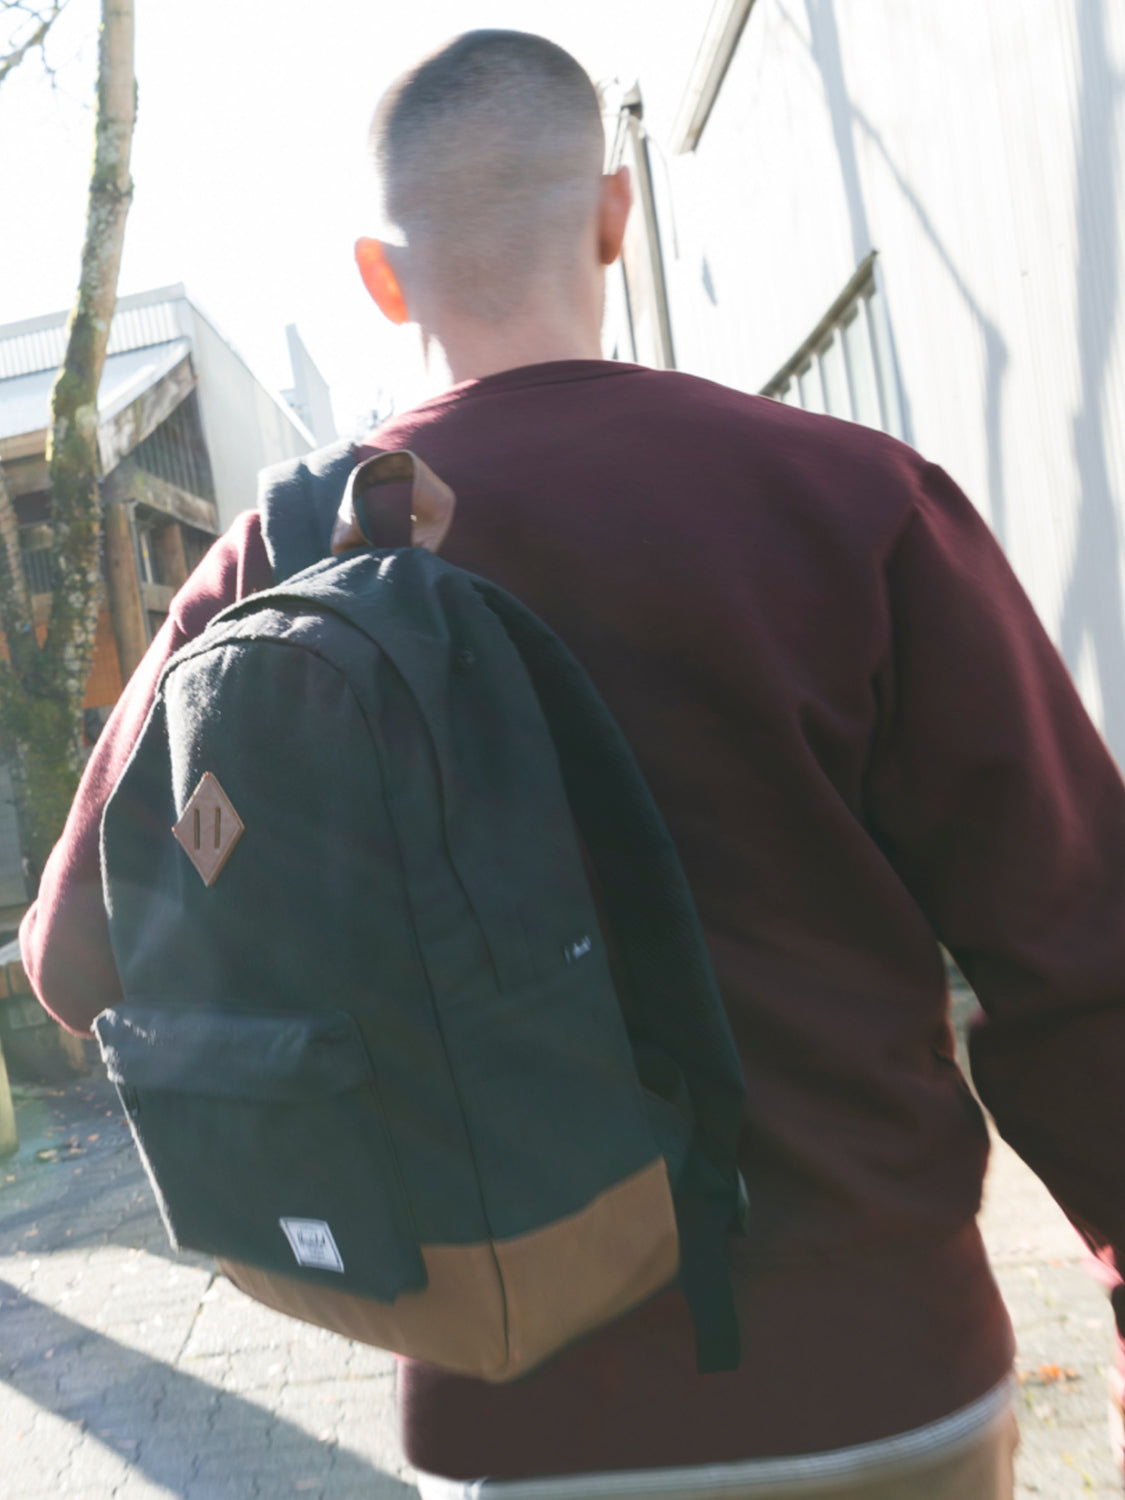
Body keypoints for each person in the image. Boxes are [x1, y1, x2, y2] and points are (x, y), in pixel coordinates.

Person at [22, 28, 1125, 1500]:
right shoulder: (855, 503)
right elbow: (1080, 962)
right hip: (883, 1370)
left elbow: (72, 964)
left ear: (381, 277)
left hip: (517, 1422)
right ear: (613, 214)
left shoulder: (276, 571)